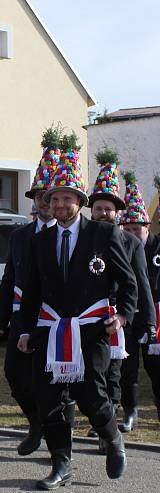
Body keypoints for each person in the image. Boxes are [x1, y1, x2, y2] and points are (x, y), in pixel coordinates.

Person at [17, 132, 136, 490]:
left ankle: (112, 437)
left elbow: (128, 282)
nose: (60, 204)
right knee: (49, 398)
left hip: (91, 328)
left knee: (90, 394)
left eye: (67, 198)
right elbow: (32, 292)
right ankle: (61, 465)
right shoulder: (40, 241)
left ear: (80, 202)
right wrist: (24, 329)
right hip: (51, 329)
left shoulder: (103, 234)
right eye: (55, 199)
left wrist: (123, 316)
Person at [0, 126, 61, 456]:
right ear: (33, 200)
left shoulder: (66, 235)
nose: (45, 202)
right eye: (39, 197)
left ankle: (62, 439)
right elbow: (10, 279)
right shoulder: (21, 236)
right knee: (15, 375)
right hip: (23, 316)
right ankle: (36, 423)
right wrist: (0, 317)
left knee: (57, 376)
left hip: (58, 319)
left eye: (51, 196)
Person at [87, 152, 155, 445]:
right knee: (93, 376)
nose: (103, 213)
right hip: (87, 318)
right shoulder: (83, 238)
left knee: (116, 374)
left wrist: (147, 321)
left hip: (119, 320)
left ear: (117, 213)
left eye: (108, 209)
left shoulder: (129, 242)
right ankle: (102, 420)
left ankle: (108, 430)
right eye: (98, 208)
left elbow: (141, 283)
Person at [119, 171, 160, 426]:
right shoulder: (120, 247)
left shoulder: (158, 247)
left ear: (146, 227)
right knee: (128, 368)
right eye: (128, 228)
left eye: (137, 228)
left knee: (156, 368)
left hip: (156, 314)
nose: (133, 233)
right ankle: (130, 411)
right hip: (128, 315)